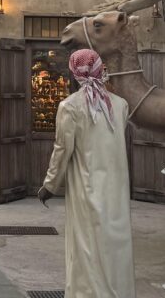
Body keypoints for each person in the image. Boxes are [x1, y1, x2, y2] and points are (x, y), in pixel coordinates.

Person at [39, 49, 136, 298]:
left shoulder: (70, 107)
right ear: (100, 69)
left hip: (86, 189)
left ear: (74, 74)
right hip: (116, 192)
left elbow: (62, 150)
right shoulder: (120, 105)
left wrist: (50, 185)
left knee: (86, 248)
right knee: (116, 248)